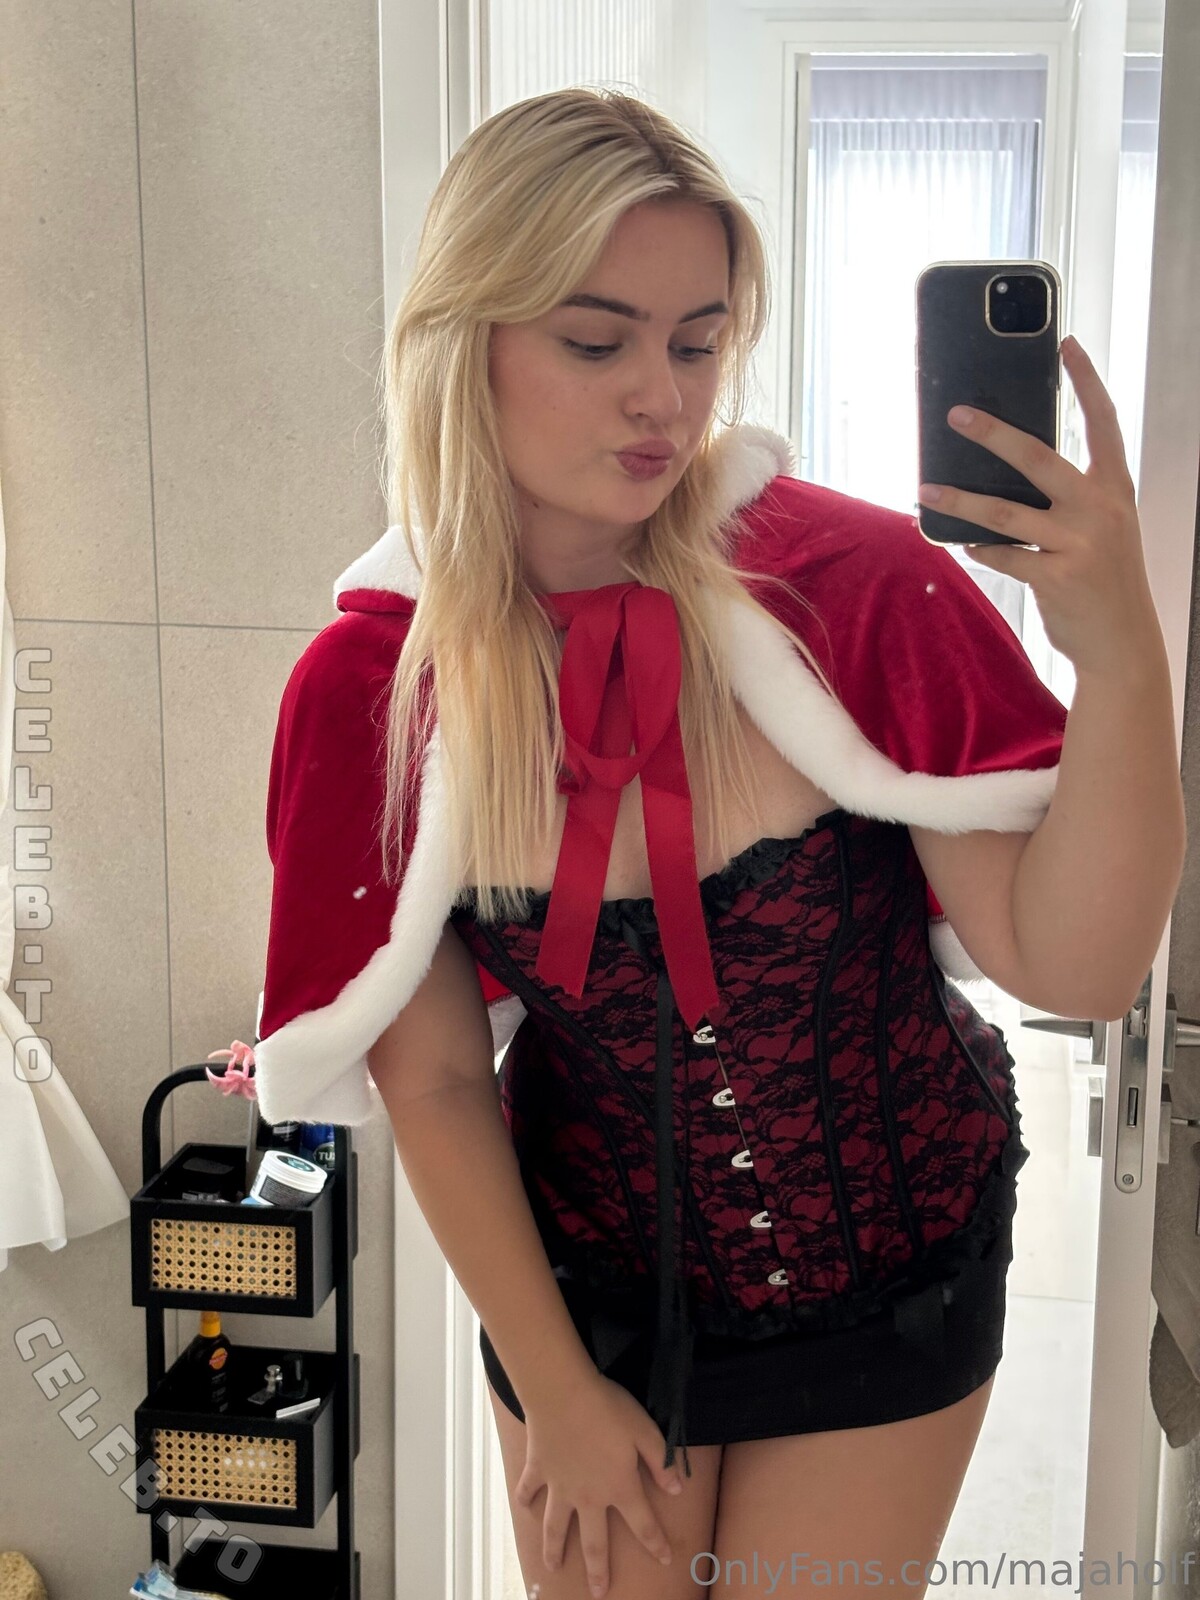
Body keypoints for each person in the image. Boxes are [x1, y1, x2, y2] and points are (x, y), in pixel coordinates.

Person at [252, 88, 1186, 1600]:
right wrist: (555, 1384)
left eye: (696, 344)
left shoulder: (850, 583)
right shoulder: (376, 689)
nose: (662, 402)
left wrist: (1125, 653)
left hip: (894, 1265)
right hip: (583, 1289)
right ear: (459, 344)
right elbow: (432, 1076)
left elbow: (1074, 967)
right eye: (596, 340)